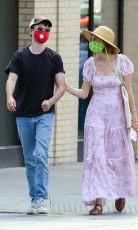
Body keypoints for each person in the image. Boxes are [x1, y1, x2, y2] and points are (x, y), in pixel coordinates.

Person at [66, 26, 138, 215]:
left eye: (96, 40)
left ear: (105, 43)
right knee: (97, 157)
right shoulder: (90, 64)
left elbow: (129, 91)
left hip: (117, 118)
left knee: (115, 156)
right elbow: (84, 93)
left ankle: (119, 191)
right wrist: (65, 87)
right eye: (92, 40)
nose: (93, 44)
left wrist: (134, 116)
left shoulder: (122, 62)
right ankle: (98, 201)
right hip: (95, 115)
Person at [5, 16, 65, 214]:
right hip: (23, 115)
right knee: (30, 160)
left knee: (40, 155)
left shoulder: (54, 58)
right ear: (31, 31)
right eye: (40, 28)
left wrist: (51, 101)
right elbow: (12, 78)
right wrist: (10, 97)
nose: (44, 32)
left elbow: (61, 86)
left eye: (47, 29)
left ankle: (43, 198)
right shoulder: (20, 56)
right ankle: (35, 199)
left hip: (44, 115)